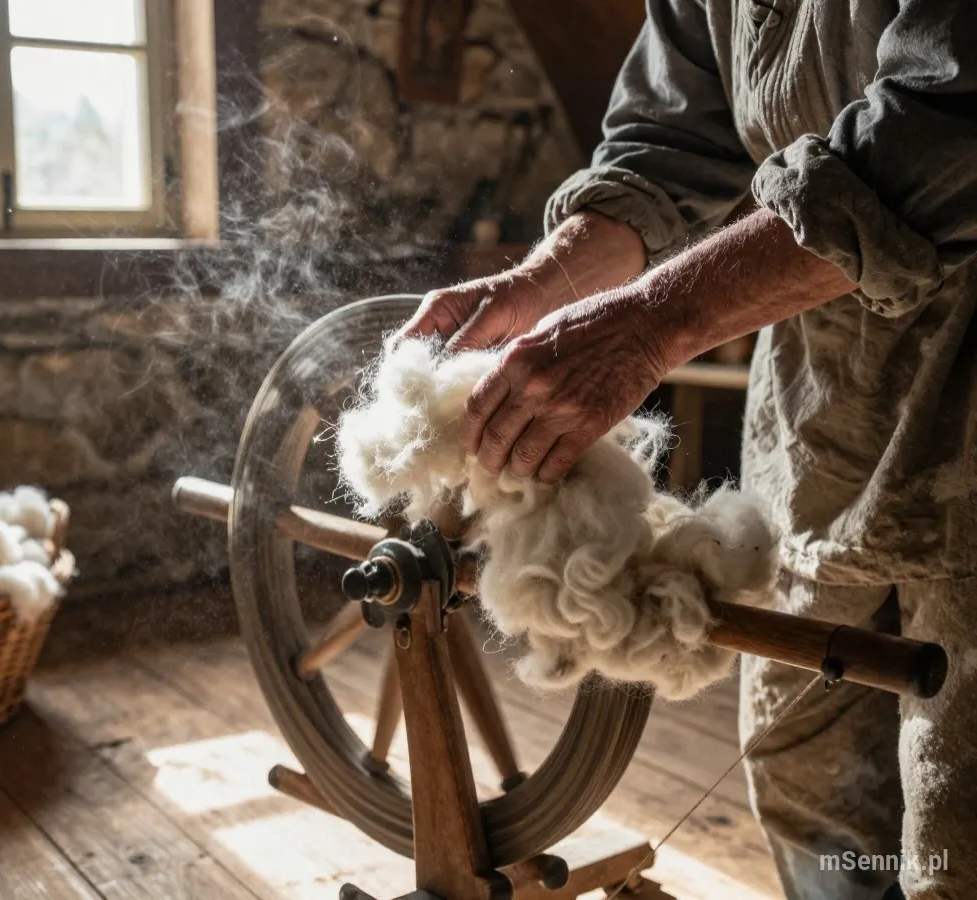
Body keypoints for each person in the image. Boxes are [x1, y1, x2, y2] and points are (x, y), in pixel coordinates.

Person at [396, 2, 975, 899]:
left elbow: (946, 131)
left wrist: (651, 323)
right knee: (809, 788)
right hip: (825, 420)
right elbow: (669, 140)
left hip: (968, 417)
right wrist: (543, 282)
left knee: (957, 834)